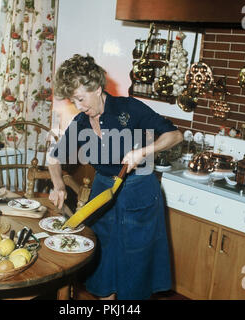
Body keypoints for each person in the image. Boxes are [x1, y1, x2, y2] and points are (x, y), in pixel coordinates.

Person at [48, 54, 183, 300]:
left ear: (97, 88)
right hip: (103, 193)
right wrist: (58, 186)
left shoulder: (129, 109)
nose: (78, 106)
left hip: (139, 191)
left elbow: (175, 136)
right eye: (73, 100)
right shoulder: (81, 122)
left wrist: (143, 151)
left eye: (80, 98)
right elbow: (55, 159)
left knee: (136, 263)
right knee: (103, 258)